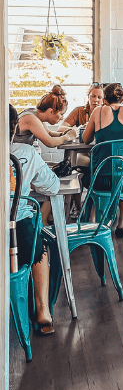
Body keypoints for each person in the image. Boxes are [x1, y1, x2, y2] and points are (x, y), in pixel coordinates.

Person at [9, 105, 60, 335]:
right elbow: (52, 185)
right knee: (40, 249)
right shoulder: (26, 153)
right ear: (14, 128)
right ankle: (42, 310)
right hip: (17, 232)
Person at [82, 82, 123, 237]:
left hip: (102, 180)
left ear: (105, 100)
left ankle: (95, 220)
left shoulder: (97, 112)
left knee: (91, 174)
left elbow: (86, 139)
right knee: (121, 170)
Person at [15, 86, 79, 149]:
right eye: (61, 114)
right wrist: (67, 137)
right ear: (51, 111)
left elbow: (48, 133)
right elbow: (50, 142)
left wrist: (63, 134)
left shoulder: (36, 115)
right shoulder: (30, 118)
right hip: (16, 153)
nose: (62, 118)